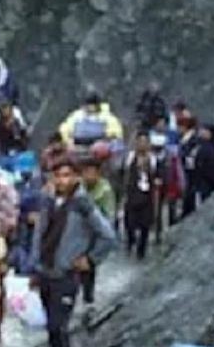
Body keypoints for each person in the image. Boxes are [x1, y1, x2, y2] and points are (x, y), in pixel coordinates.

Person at [28, 159, 117, 347]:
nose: (62, 180)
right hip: (46, 272)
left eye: (67, 175)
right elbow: (39, 235)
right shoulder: (47, 202)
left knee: (59, 326)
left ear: (76, 177)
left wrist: (90, 259)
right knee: (51, 328)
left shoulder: (83, 205)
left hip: (66, 276)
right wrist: (34, 268)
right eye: (58, 176)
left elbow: (108, 236)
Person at [78, 157, 117, 310]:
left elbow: (108, 216)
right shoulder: (77, 188)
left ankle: (88, 299)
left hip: (94, 234)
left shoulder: (105, 190)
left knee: (88, 267)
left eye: (92, 173)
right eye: (86, 172)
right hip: (77, 233)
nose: (89, 176)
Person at [123, 132, 162, 260]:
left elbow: (159, 175)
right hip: (132, 194)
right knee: (130, 222)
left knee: (145, 224)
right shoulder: (130, 158)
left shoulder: (154, 159)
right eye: (140, 141)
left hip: (147, 196)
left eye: (145, 142)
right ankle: (130, 242)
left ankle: (141, 250)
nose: (142, 144)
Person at [59, 93, 124, 149]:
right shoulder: (77, 116)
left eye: (92, 105)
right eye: (87, 105)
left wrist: (107, 143)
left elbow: (115, 136)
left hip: (99, 148)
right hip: (77, 147)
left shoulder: (107, 117)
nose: (89, 108)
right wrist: (68, 142)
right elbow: (64, 130)